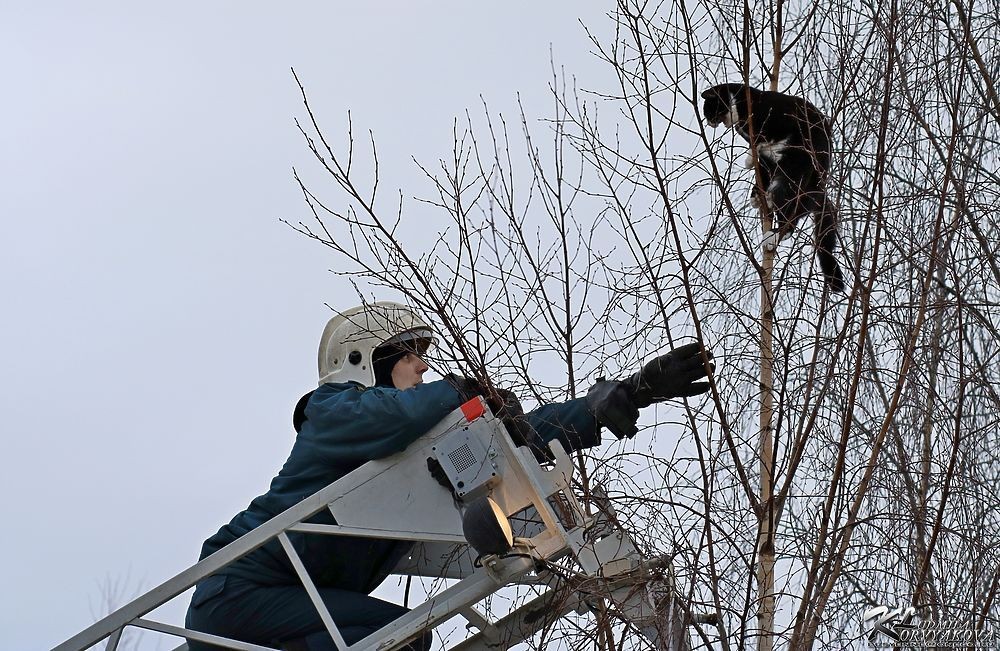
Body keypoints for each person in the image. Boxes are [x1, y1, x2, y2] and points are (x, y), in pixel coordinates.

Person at [185, 301, 713, 651]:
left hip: (287, 602)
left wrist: (621, 397)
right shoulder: (331, 412)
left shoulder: (405, 441)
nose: (423, 366)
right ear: (365, 359)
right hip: (238, 590)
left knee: (405, 640)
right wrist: (465, 392)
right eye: (411, 354)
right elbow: (406, 414)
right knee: (397, 638)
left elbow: (510, 440)